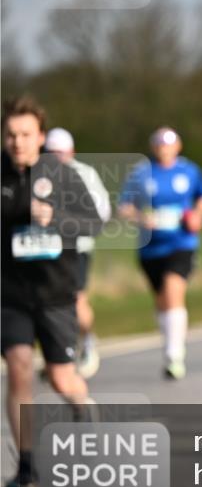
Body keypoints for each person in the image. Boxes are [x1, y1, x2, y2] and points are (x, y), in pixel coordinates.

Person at [1, 96, 102, 487]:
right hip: (11, 296)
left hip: (57, 294)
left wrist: (55, 218)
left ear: (40, 136)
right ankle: (27, 468)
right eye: (11, 135)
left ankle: (82, 407)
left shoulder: (62, 175)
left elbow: (94, 224)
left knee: (61, 377)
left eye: (25, 134)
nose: (17, 142)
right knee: (19, 367)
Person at [119, 127, 202, 380]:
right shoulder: (141, 173)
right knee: (162, 300)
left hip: (181, 243)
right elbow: (124, 206)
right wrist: (141, 217)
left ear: (177, 146)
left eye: (169, 144)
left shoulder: (189, 170)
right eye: (160, 144)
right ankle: (170, 344)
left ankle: (174, 355)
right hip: (150, 248)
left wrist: (197, 215)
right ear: (154, 147)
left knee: (173, 290)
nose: (164, 149)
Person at [43, 127, 111, 379]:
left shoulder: (84, 174)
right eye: (50, 152)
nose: (56, 157)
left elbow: (101, 215)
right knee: (46, 304)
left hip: (76, 249)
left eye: (60, 152)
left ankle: (88, 340)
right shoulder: (36, 174)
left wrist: (66, 221)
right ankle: (57, 356)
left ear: (71, 151)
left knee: (76, 300)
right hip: (42, 251)